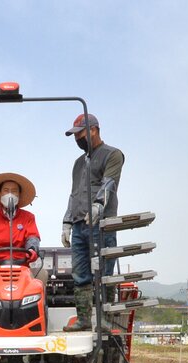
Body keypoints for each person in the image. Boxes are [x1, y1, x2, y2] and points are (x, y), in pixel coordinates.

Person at [61, 113, 124, 332]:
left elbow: (109, 184)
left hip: (102, 224)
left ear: (93, 130)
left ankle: (104, 320)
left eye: (79, 134)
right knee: (80, 275)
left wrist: (98, 206)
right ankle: (84, 319)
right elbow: (74, 193)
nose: (77, 138)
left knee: (103, 274)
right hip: (79, 225)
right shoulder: (78, 163)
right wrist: (67, 222)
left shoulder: (112, 155)